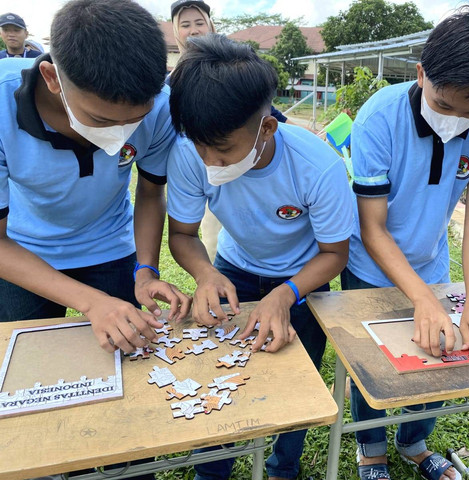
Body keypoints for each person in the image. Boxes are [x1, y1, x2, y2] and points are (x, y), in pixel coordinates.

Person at [342, 7, 469, 480]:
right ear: (422, 74)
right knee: (375, 368)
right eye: (445, 105)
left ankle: (415, 443)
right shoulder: (378, 117)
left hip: (431, 260)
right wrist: (421, 298)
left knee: (442, 352)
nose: (458, 120)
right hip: (370, 266)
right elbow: (373, 226)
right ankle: (371, 449)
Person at [167, 34, 353, 480]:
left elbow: (335, 253)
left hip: (303, 282)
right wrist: (206, 273)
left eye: (224, 150)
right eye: (200, 146)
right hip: (234, 271)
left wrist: (286, 295)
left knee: (296, 384)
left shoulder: (317, 165)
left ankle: (282, 467)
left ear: (266, 127)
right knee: (219, 378)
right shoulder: (190, 154)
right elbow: (182, 235)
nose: (210, 162)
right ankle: (212, 472)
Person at [0, 0, 191, 354]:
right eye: (102, 121)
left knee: (133, 354)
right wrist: (90, 303)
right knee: (32, 360)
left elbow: (150, 193)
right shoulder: (1, 105)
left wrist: (146, 270)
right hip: (24, 252)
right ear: (52, 79)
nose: (121, 135)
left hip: (110, 247)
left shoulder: (161, 105)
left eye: (134, 120)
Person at [168, 0, 292, 260]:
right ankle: (218, 278)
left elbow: (263, 112)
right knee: (211, 236)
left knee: (247, 228)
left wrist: (297, 130)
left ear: (211, 25)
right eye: (185, 25)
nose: (193, 30)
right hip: (202, 170)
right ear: (175, 30)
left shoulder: (233, 68)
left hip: (241, 164)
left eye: (199, 22)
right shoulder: (172, 82)